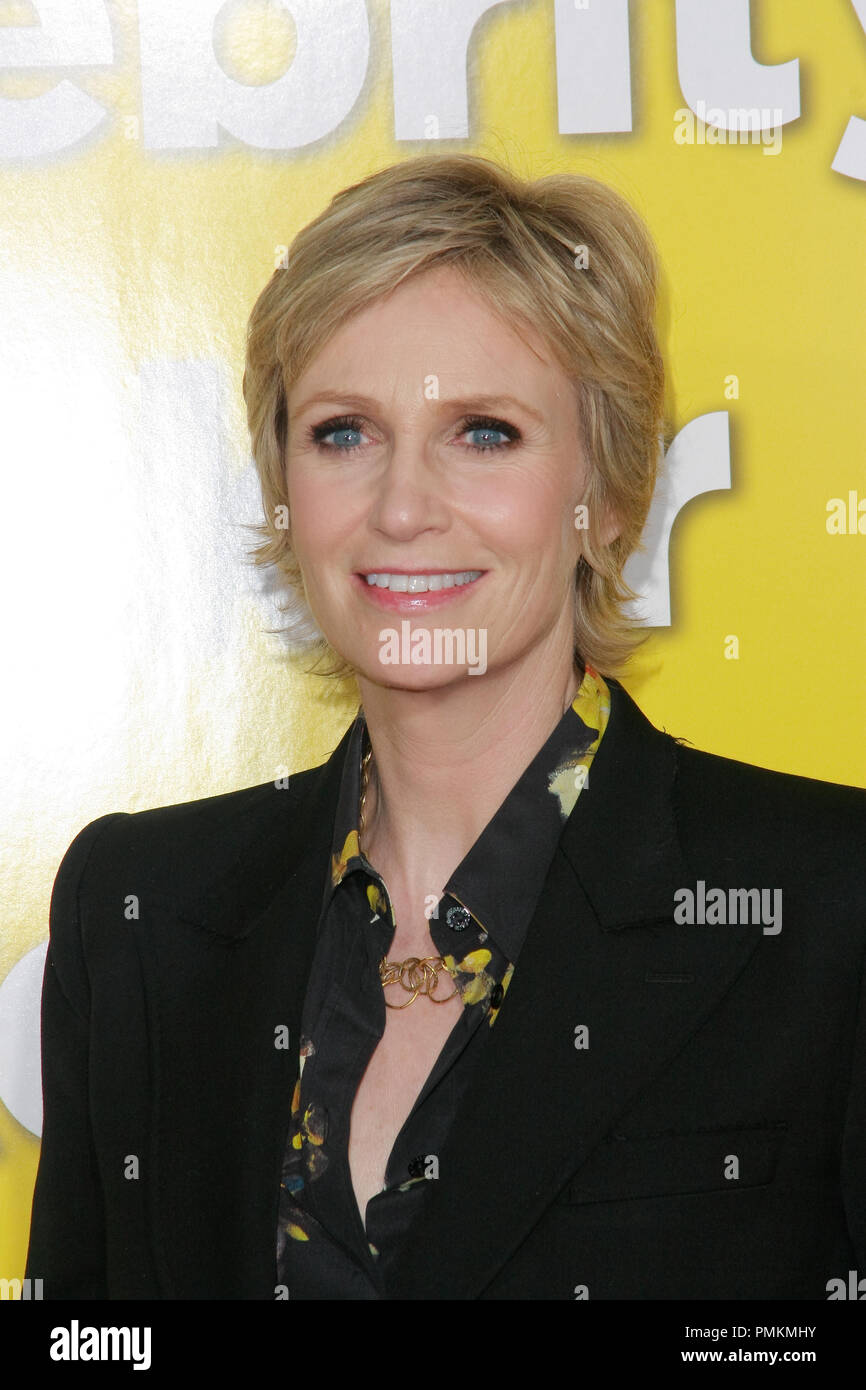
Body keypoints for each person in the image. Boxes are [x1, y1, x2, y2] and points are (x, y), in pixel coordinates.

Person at [26, 154, 866, 1300]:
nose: (403, 506)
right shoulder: (137, 911)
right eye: (341, 432)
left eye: (482, 432)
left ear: (608, 495)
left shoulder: (826, 903)